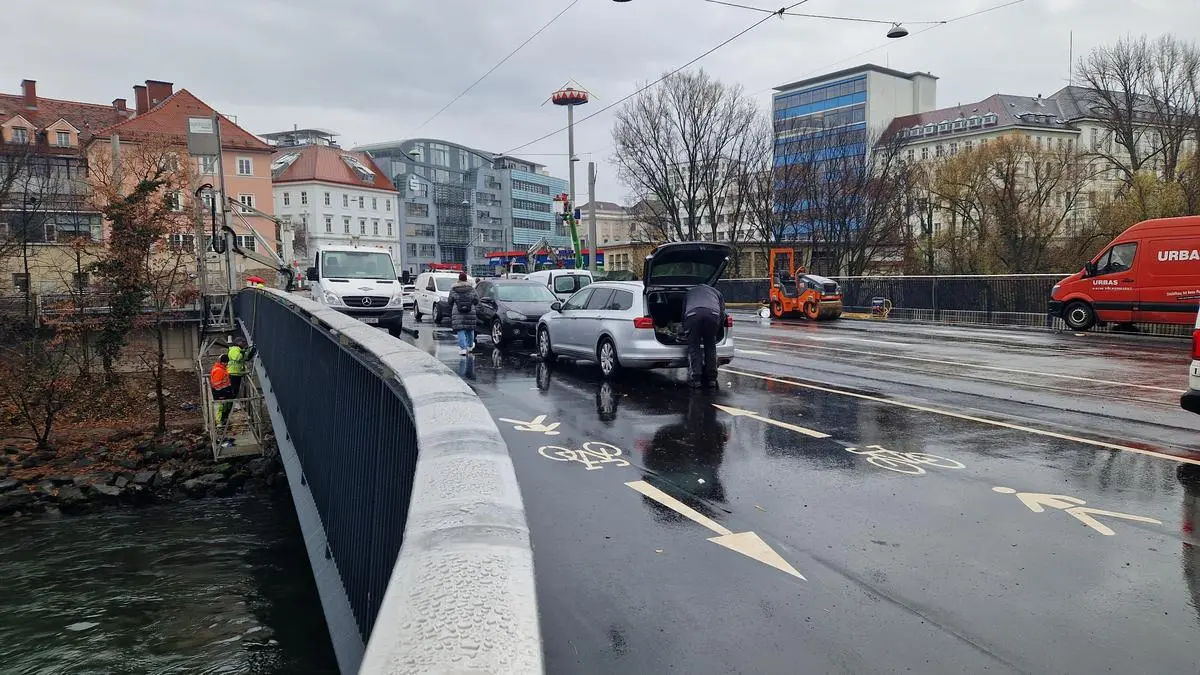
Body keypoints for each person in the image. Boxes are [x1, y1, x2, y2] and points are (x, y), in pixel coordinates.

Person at [683, 283, 725, 389]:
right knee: (710, 346)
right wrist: (718, 329)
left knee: (694, 347)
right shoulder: (716, 292)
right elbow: (722, 312)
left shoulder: (689, 293)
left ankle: (696, 379)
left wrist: (685, 329)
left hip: (693, 316)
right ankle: (712, 379)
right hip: (713, 315)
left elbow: (683, 313)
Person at [448, 272, 478, 356]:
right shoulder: (471, 289)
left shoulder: (453, 289)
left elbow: (450, 301)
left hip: (457, 312)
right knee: (470, 329)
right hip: (470, 311)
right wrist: (471, 304)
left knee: (460, 330)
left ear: (459, 279)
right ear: (466, 279)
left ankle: (463, 349)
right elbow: (476, 300)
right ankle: (470, 346)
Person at [210, 354, 234, 426]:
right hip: (220, 392)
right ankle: (220, 423)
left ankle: (223, 420)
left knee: (226, 405)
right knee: (220, 407)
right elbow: (216, 384)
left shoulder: (222, 368)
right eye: (226, 362)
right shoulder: (219, 370)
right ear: (222, 362)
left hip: (224, 391)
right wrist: (222, 393)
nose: (227, 364)